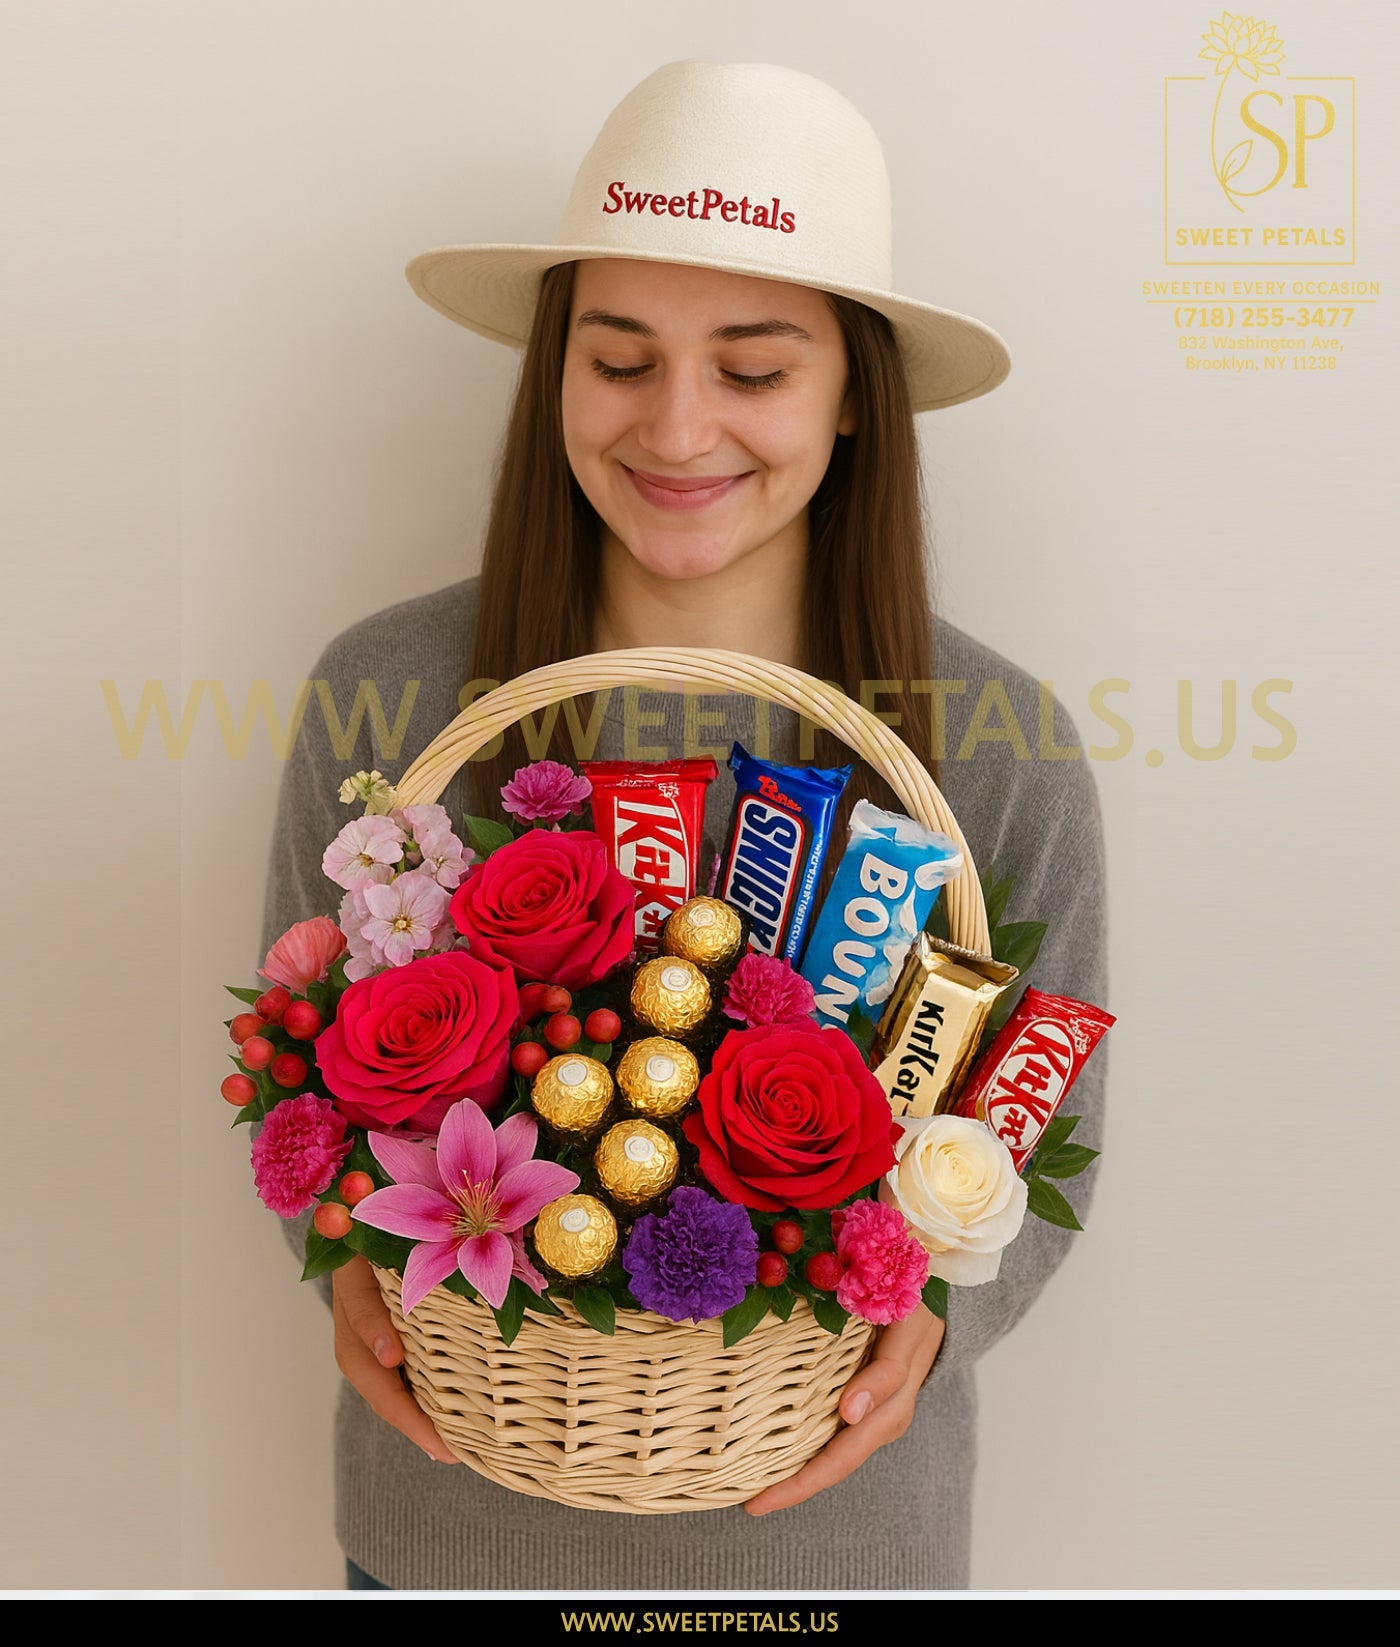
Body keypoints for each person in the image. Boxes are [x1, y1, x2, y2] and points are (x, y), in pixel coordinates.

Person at [257, 60, 1108, 1592]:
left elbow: (1050, 1146)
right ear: (555, 376)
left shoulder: (998, 750)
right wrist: (346, 1260)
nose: (679, 424)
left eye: (757, 367)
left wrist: (934, 1308)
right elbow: (293, 1096)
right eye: (622, 355)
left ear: (855, 400)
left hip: (834, 1540)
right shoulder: (386, 697)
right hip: (451, 1527)